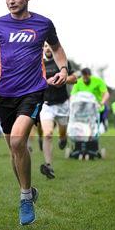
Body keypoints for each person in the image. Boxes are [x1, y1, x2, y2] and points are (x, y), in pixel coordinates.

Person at [0, 0, 69, 225]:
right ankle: (29, 190)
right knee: (15, 151)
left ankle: (25, 198)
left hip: (33, 91)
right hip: (5, 94)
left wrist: (64, 68)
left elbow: (57, 49)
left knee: (17, 141)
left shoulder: (43, 24)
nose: (11, 1)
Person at [38, 43, 77, 179]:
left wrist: (63, 78)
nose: (47, 48)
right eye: (44, 46)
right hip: (46, 104)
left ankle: (63, 138)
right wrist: (45, 82)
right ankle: (48, 166)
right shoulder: (39, 63)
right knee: (47, 134)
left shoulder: (62, 61)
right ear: (42, 48)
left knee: (62, 132)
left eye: (49, 46)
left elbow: (74, 78)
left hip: (62, 104)